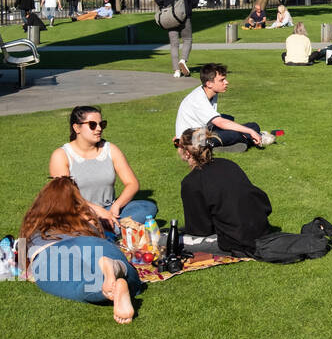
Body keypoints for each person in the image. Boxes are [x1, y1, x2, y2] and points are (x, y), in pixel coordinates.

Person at [19, 177, 142, 323]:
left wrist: (26, 268)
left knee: (79, 284)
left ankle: (103, 289)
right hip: (91, 242)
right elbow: (104, 233)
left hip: (50, 252)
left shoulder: (32, 222)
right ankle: (117, 267)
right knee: (131, 277)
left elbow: (22, 260)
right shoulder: (85, 215)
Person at [48, 106, 157, 237]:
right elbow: (67, 197)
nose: (99, 128)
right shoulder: (61, 155)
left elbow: (132, 183)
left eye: (102, 124)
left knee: (147, 207)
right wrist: (98, 212)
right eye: (92, 125)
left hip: (109, 209)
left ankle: (104, 231)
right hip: (78, 212)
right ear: (77, 128)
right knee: (77, 221)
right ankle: (113, 231)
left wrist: (117, 205)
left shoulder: (110, 149)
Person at [174, 127, 272, 256]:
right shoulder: (228, 164)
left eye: (177, 144)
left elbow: (200, 230)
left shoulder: (191, 182)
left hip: (238, 241)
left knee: (173, 240)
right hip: (261, 228)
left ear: (187, 153)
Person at [175, 63, 273, 150]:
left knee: (253, 125)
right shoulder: (198, 99)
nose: (226, 82)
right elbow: (220, 122)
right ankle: (240, 141)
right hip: (193, 139)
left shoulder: (211, 91)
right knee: (235, 133)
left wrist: (250, 130)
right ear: (209, 84)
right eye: (222, 80)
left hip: (204, 130)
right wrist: (250, 132)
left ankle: (243, 140)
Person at [155, 0, 199, 77]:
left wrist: (166, 7)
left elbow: (158, 0)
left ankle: (176, 71)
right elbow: (195, 0)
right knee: (187, 39)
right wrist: (188, 7)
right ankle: (183, 60)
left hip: (171, 18)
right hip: (185, 17)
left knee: (174, 44)